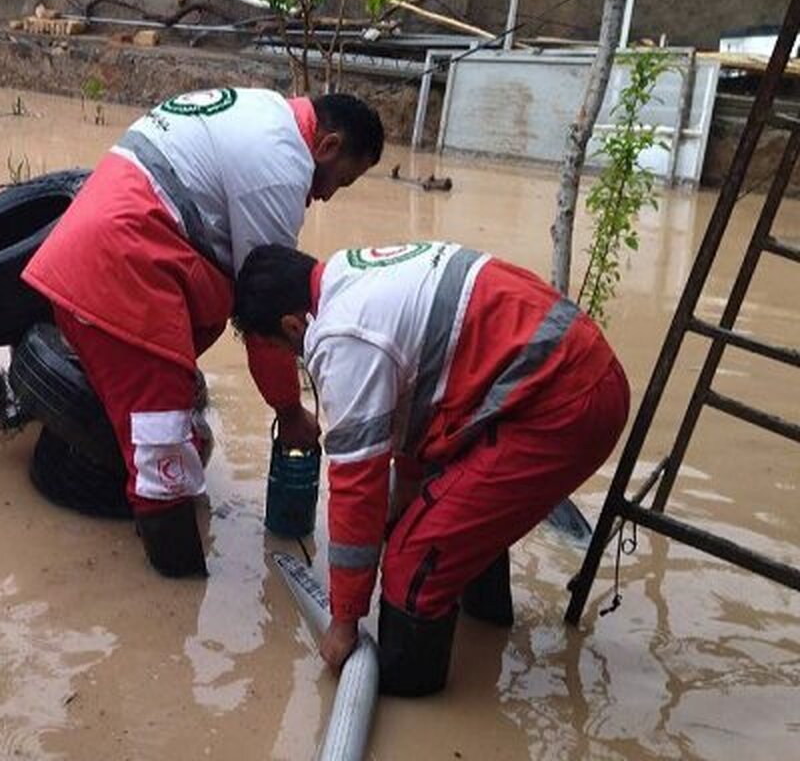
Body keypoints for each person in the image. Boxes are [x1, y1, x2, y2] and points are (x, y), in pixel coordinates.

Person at [232, 241, 630, 695]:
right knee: (443, 515)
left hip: (563, 402)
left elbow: (357, 487)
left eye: (278, 347)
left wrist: (344, 622)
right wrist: (408, 490)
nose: (291, 358)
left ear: (291, 324)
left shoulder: (343, 339)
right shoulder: (350, 272)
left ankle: (411, 695)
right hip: (567, 371)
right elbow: (421, 392)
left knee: (412, 563)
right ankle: (487, 628)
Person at [22, 88, 384, 578]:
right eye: (340, 181)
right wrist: (289, 411)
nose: (325, 196)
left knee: (162, 424)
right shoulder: (280, 166)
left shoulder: (261, 110)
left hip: (81, 256)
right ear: (326, 146)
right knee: (166, 461)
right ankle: (177, 608)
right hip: (126, 273)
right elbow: (268, 312)